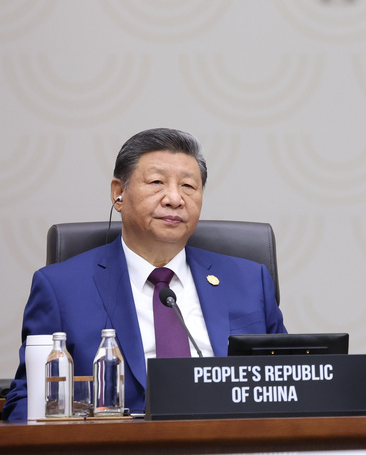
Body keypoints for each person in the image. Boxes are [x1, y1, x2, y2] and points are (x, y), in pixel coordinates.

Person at [2, 128, 286, 421]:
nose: (175, 198)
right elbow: (26, 402)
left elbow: (290, 384)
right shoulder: (61, 288)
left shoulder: (251, 281)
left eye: (189, 186)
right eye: (156, 182)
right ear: (118, 193)